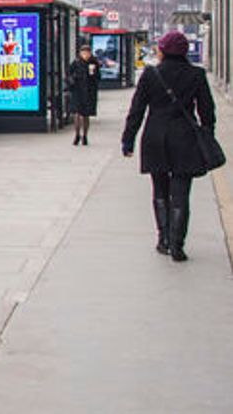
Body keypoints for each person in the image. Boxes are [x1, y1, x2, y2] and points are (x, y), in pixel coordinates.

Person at [121, 31, 215, 262]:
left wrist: (128, 139)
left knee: (160, 190)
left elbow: (137, 110)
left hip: (155, 137)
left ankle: (163, 239)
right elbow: (207, 111)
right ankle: (177, 244)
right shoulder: (196, 74)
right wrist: (207, 136)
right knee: (181, 192)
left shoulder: (151, 74)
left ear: (163, 50)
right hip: (184, 138)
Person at [66, 44, 101, 145]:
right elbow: (68, 75)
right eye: (83, 53)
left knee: (86, 114)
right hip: (77, 91)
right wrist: (72, 81)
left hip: (89, 92)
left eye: (87, 53)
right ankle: (77, 135)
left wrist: (93, 74)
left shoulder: (94, 63)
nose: (85, 55)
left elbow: (98, 77)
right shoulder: (76, 63)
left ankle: (85, 136)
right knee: (77, 113)